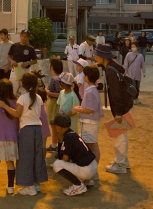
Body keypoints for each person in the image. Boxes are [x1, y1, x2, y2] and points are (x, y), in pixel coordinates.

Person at [0, 72, 47, 196]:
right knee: (37, 155)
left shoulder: (23, 98)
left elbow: (17, 114)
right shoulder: (38, 97)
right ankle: (36, 183)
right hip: (37, 129)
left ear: (23, 85)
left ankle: (29, 186)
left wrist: (4, 106)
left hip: (27, 130)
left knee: (26, 157)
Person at [94, 43, 134, 174]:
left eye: (97, 55)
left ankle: (120, 164)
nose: (95, 57)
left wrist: (118, 112)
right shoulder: (113, 66)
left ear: (103, 57)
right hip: (126, 104)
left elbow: (116, 93)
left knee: (119, 135)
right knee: (121, 134)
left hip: (121, 107)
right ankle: (123, 161)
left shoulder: (110, 70)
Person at [71, 65, 103, 183]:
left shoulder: (90, 91)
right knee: (93, 145)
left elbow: (90, 109)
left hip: (89, 122)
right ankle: (93, 173)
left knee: (90, 147)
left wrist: (77, 110)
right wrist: (79, 108)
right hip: (91, 122)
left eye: (84, 75)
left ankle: (91, 174)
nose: (82, 76)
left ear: (88, 77)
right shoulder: (92, 89)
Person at [52, 114, 98, 196]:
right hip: (93, 166)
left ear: (60, 127)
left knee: (57, 164)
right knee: (72, 162)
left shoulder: (68, 137)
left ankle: (78, 185)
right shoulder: (72, 133)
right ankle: (87, 180)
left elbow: (65, 159)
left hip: (87, 170)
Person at [8, 29, 37, 95]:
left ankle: (25, 104)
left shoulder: (30, 48)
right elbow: (9, 56)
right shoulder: (14, 46)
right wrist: (12, 61)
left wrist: (28, 63)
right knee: (12, 90)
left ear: (28, 38)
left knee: (26, 91)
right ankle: (12, 104)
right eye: (22, 36)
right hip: (15, 70)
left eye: (25, 36)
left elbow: (35, 60)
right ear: (20, 36)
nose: (23, 38)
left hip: (26, 71)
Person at [45, 59, 63, 152]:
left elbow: (60, 94)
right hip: (56, 104)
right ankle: (55, 144)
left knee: (54, 125)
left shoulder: (54, 79)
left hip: (54, 104)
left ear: (52, 67)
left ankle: (54, 144)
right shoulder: (59, 78)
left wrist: (48, 92)